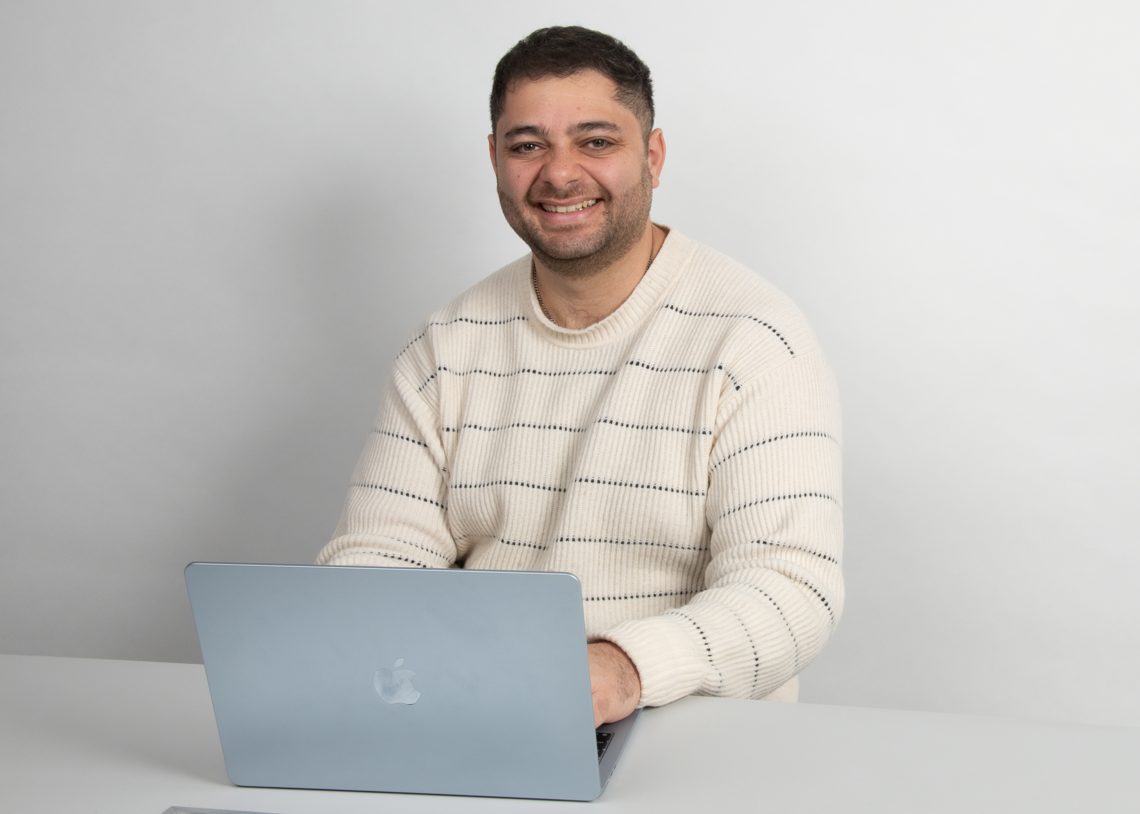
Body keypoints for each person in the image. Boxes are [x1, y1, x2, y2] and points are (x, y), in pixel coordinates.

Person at [316, 26, 843, 728]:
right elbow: (379, 557)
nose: (560, 174)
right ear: (496, 159)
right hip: (484, 713)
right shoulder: (444, 346)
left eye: (596, 141)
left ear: (652, 157)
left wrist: (622, 671)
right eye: (528, 145)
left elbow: (791, 589)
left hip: (692, 730)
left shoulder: (754, 339)